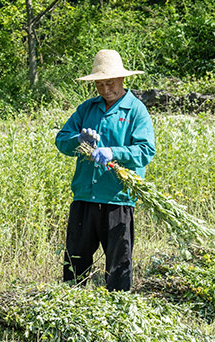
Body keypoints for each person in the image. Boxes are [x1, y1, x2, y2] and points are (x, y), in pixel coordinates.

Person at [55, 49, 155, 291]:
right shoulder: (87, 109)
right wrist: (78, 139)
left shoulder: (135, 110)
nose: (105, 89)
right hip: (84, 197)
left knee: (118, 266)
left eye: (109, 83)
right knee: (75, 263)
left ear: (122, 79)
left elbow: (145, 151)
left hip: (118, 198)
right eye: (99, 84)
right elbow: (62, 141)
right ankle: (72, 307)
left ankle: (118, 310)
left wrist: (114, 152)